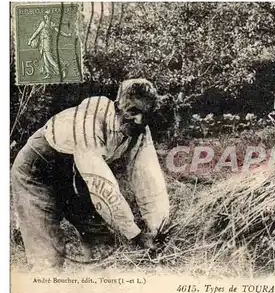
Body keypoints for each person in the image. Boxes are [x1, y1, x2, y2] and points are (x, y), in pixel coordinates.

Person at [11, 78, 171, 271]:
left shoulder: (140, 130)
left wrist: (157, 228)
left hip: (75, 176)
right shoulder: (90, 122)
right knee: (47, 256)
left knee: (102, 244)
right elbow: (101, 185)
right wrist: (135, 235)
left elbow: (148, 177)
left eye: (145, 114)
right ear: (118, 105)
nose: (138, 119)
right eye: (133, 111)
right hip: (37, 171)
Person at [27, 10, 72, 79]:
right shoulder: (43, 23)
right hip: (42, 42)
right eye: (45, 15)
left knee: (49, 58)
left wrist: (67, 35)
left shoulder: (52, 24)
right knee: (45, 58)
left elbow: (59, 31)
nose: (46, 16)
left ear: (50, 16)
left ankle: (62, 69)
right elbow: (37, 32)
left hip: (47, 42)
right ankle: (48, 73)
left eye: (48, 15)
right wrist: (31, 39)